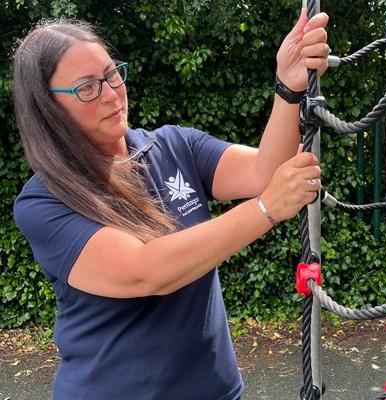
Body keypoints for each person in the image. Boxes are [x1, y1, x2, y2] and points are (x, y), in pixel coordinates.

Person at [12, 8, 329, 400]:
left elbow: (265, 173)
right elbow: (147, 271)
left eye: (112, 74)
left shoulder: (174, 145)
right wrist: (265, 209)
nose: (112, 93)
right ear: (49, 109)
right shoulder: (44, 202)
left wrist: (289, 87)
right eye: (87, 87)